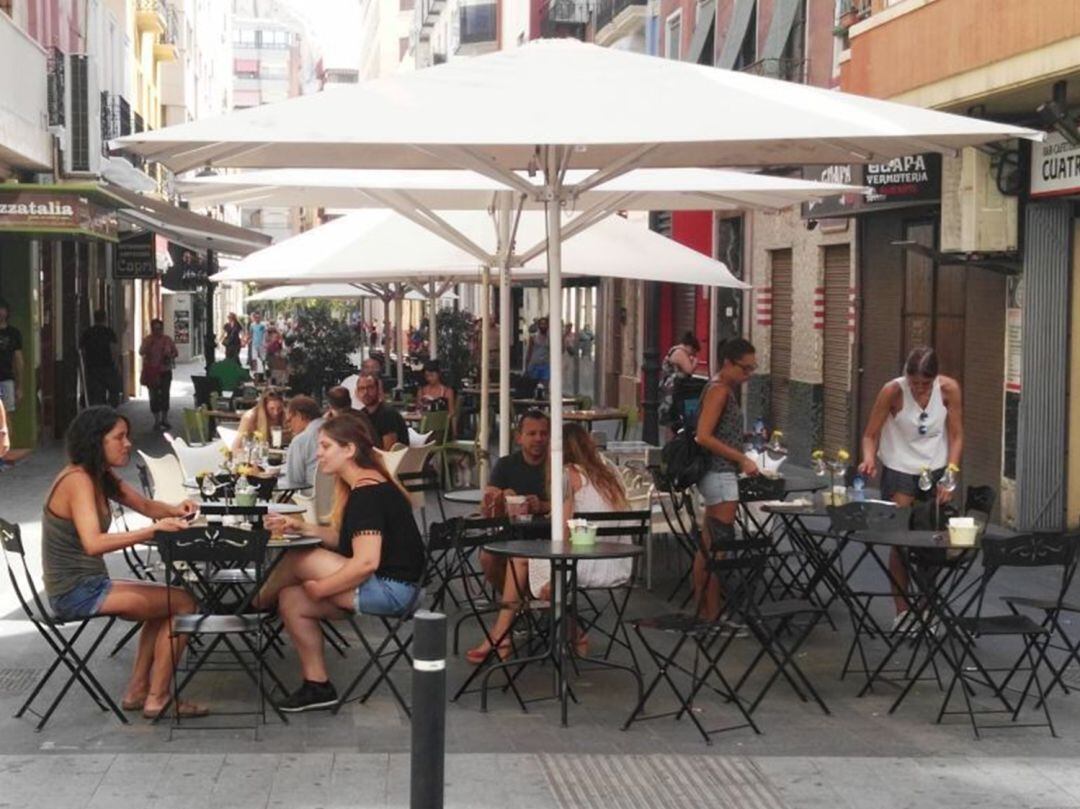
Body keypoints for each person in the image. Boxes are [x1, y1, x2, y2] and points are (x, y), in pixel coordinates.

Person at [41, 406, 204, 719]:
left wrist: (174, 510)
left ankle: (138, 691)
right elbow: (93, 544)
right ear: (95, 441)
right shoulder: (78, 480)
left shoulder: (98, 475)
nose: (127, 443)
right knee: (184, 602)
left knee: (166, 600)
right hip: (76, 592)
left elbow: (143, 504)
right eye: (119, 437)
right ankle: (158, 698)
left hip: (87, 585)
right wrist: (154, 530)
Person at [256, 413, 425, 712]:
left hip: (395, 591)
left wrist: (322, 589)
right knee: (291, 598)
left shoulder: (367, 493)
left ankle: (252, 607)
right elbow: (345, 541)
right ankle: (318, 685)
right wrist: (302, 527)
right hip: (400, 588)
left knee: (298, 558)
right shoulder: (368, 486)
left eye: (325, 446)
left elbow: (366, 562)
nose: (318, 453)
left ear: (349, 450)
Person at [467, 424, 631, 662]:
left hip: (582, 564)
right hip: (618, 563)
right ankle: (573, 633)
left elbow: (562, 535)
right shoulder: (611, 474)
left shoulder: (567, 475)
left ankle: (501, 634)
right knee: (533, 572)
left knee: (520, 562)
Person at [858, 346, 963, 626]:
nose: (919, 389)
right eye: (914, 383)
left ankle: (926, 608)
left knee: (932, 539)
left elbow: (956, 436)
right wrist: (869, 459)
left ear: (935, 378)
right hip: (900, 468)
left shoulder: (949, 390)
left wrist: (950, 475)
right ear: (906, 376)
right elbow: (870, 434)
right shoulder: (892, 391)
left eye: (925, 384)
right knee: (900, 540)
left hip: (936, 468)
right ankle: (902, 610)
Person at [694, 338, 759, 621]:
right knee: (716, 549)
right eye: (745, 369)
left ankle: (707, 611)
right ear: (728, 363)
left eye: (753, 369)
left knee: (710, 544)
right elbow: (704, 435)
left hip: (718, 473)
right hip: (721, 474)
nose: (748, 375)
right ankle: (711, 613)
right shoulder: (720, 390)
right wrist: (741, 458)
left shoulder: (717, 388)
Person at [480, 410, 551, 588]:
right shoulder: (506, 464)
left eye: (543, 433)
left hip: (551, 534)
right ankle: (517, 602)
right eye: (532, 433)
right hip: (512, 533)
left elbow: (573, 503)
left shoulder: (558, 465)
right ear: (519, 437)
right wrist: (502, 497)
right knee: (488, 558)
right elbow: (487, 503)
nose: (538, 439)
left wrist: (542, 506)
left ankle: (520, 603)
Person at [140, 319, 178, 431]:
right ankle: (156, 420)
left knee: (165, 394)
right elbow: (141, 352)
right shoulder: (148, 339)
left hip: (165, 371)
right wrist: (147, 346)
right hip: (152, 372)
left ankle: (165, 419)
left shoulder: (167, 340)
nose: (157, 331)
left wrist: (169, 355)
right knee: (154, 396)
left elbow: (175, 352)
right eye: (155, 329)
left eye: (159, 329)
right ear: (152, 329)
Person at [355, 372, 407, 450]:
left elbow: (389, 450)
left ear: (378, 390)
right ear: (357, 393)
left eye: (370, 387)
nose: (365, 392)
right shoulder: (362, 414)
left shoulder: (387, 414)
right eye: (361, 389)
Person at [659, 332, 701, 429]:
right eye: (693, 352)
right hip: (673, 389)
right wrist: (695, 362)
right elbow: (689, 370)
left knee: (671, 418)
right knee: (672, 418)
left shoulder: (675, 350)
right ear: (690, 347)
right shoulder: (680, 353)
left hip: (671, 387)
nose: (693, 355)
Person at [80, 309, 120, 407]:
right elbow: (113, 349)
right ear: (105, 319)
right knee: (113, 390)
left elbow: (83, 351)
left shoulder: (88, 332)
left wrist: (85, 365)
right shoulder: (109, 332)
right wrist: (116, 364)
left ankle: (100, 410)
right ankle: (111, 409)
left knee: (97, 393)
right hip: (107, 366)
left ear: (94, 319)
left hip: (93, 367)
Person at [282, 395, 323, 489]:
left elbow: (294, 482)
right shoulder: (335, 430)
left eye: (289, 420)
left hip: (310, 496)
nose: (289, 426)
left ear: (299, 415)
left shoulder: (300, 440)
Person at [0, 299, 24, 415]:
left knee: (7, 416)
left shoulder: (14, 333)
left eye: (2, 309)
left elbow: (18, 359)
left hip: (7, 378)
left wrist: (19, 386)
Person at [524, 316, 551, 382]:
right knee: (533, 384)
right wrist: (526, 366)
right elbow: (529, 352)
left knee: (545, 385)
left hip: (546, 365)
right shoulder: (533, 337)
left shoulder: (550, 338)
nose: (543, 326)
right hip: (535, 365)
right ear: (538, 325)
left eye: (545, 324)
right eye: (541, 324)